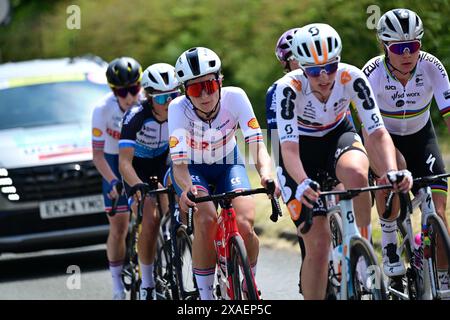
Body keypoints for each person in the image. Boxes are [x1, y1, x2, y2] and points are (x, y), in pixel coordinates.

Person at [275, 23, 412, 299]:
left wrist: (393, 171)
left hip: (338, 136)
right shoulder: (287, 89)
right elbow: (288, 149)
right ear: (301, 67)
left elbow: (377, 132)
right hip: (301, 151)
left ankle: (360, 247)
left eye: (331, 67)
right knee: (319, 244)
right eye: (314, 71)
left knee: (357, 175)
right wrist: (302, 182)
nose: (324, 77)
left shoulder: (352, 77)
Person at [168, 47, 278, 300]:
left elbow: (257, 145)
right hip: (194, 169)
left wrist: (266, 174)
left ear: (220, 81)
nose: (205, 94)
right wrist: (187, 189)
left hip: (229, 163)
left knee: (244, 222)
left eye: (210, 84)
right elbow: (180, 166)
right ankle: (207, 298)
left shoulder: (235, 97)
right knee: (205, 220)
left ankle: (249, 282)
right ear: (186, 91)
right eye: (196, 89)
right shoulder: (177, 109)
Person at [362, 8, 450, 283]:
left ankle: (444, 279)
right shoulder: (371, 73)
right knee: (391, 173)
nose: (407, 55)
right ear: (385, 47)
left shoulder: (431, 66)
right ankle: (389, 241)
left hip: (421, 138)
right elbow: (368, 129)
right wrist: (383, 165)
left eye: (412, 47)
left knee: (438, 210)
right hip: (383, 137)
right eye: (399, 48)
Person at [118, 63, 180, 300]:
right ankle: (147, 284)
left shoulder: (180, 110)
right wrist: (138, 186)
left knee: (177, 210)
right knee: (151, 219)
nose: (169, 103)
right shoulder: (135, 116)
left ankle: (177, 250)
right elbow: (124, 163)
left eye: (174, 96)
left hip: (163, 164)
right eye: (163, 99)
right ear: (149, 97)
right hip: (137, 169)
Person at [91, 56, 142, 300]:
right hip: (112, 161)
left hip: (139, 158)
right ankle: (117, 286)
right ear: (114, 91)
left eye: (134, 89)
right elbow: (98, 155)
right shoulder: (102, 110)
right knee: (119, 224)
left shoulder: (147, 102)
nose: (130, 97)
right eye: (123, 92)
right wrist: (112, 181)